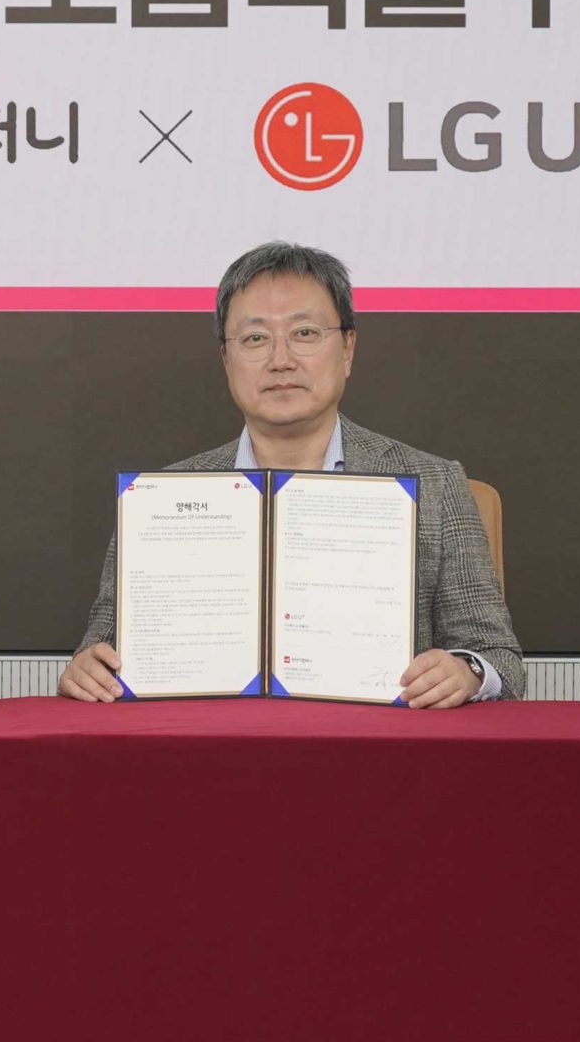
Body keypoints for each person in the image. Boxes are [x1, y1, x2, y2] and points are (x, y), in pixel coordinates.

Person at [58, 240, 522, 708]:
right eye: (255, 339)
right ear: (226, 359)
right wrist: (87, 669)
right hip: (210, 742)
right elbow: (99, 652)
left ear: (347, 349)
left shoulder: (436, 485)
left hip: (375, 745)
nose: (281, 360)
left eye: (304, 333)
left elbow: (500, 661)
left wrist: (467, 672)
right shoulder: (156, 499)